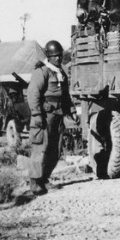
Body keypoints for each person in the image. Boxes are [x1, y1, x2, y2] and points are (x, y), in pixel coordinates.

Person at [27, 40, 79, 195]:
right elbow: (33, 94)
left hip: (58, 115)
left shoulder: (61, 73)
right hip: (44, 116)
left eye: (60, 55)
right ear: (48, 56)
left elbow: (65, 96)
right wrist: (36, 114)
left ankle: (44, 178)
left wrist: (72, 111)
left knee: (55, 150)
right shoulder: (41, 72)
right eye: (55, 56)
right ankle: (35, 181)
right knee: (41, 148)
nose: (58, 58)